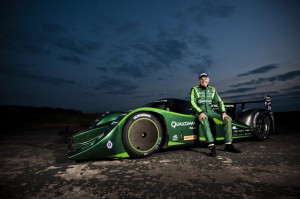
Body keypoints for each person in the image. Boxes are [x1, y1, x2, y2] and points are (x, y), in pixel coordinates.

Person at [190, 72, 241, 157]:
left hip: (211, 111)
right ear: (199, 80)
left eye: (205, 79)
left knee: (227, 119)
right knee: (204, 120)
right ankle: (211, 147)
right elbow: (192, 102)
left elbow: (219, 101)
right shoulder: (194, 89)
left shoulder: (212, 89)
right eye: (202, 79)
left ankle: (228, 145)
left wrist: (223, 112)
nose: (204, 80)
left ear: (208, 80)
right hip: (200, 112)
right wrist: (200, 112)